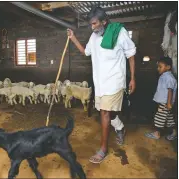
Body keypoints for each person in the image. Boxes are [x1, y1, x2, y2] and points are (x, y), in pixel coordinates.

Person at [67, 7, 136, 163]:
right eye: (91, 25)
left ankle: (103, 149)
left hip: (114, 81)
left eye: (94, 24)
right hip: (100, 83)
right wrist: (73, 38)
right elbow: (86, 52)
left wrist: (133, 78)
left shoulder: (119, 33)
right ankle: (120, 127)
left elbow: (131, 54)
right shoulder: (94, 36)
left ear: (104, 21)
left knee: (104, 112)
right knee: (108, 113)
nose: (92, 27)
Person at [145, 57, 177, 140]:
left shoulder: (169, 78)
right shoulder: (164, 76)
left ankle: (157, 134)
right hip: (165, 103)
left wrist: (168, 103)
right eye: (158, 66)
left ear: (168, 67)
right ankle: (174, 133)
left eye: (160, 66)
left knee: (159, 118)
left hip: (165, 103)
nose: (158, 68)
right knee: (169, 119)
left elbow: (170, 90)